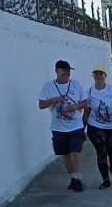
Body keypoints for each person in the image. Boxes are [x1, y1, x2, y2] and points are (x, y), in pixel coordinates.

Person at [38, 59, 89, 192]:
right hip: (58, 127)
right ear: (56, 71)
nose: (66, 73)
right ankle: (73, 178)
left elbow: (85, 102)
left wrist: (75, 107)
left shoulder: (76, 85)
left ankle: (78, 177)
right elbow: (41, 105)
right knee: (65, 153)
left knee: (75, 150)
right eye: (63, 71)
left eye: (68, 71)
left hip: (75, 125)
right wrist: (54, 100)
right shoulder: (48, 86)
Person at [84, 66, 112, 189]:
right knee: (101, 152)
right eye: (96, 74)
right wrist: (83, 127)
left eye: (101, 74)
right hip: (95, 126)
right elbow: (87, 111)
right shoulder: (90, 92)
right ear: (93, 76)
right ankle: (105, 179)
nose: (99, 77)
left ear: (105, 76)